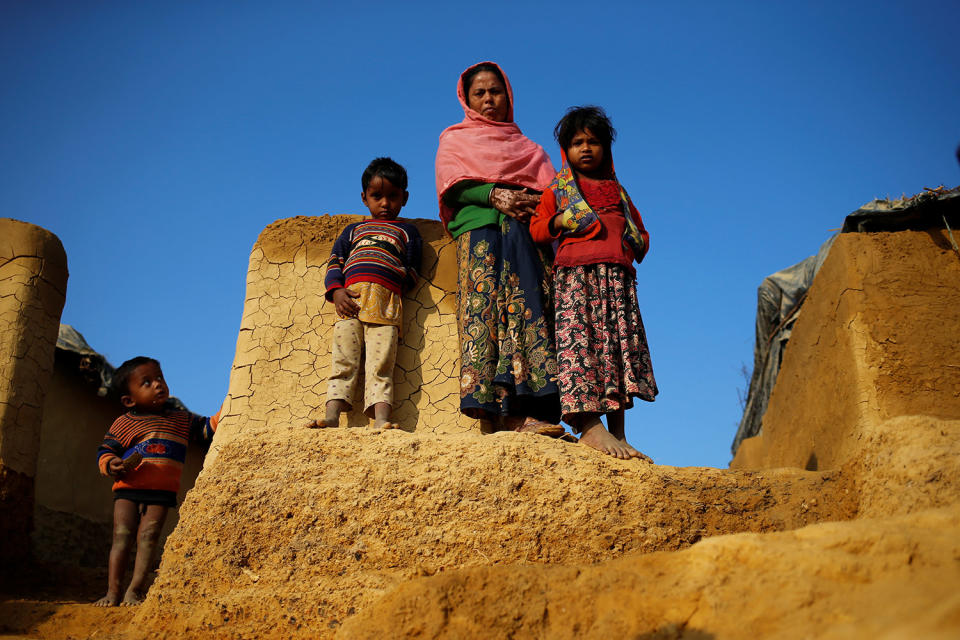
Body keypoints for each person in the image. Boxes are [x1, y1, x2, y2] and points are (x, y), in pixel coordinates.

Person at [435, 61, 564, 435]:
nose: (489, 99)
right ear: (467, 99)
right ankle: (497, 415)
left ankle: (528, 409)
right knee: (486, 317)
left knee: (527, 314)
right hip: (481, 238)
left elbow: (551, 195)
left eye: (496, 91)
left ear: (509, 95)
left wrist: (524, 203)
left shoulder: (529, 148)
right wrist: (494, 195)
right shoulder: (455, 140)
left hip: (525, 242)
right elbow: (454, 186)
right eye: (480, 93)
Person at [530, 106, 658, 460]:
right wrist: (561, 221)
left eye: (593, 142)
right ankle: (589, 426)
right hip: (577, 280)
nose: (585, 148)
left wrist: (630, 244)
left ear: (607, 147)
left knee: (616, 354)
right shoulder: (558, 189)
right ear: (565, 151)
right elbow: (538, 228)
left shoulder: (619, 192)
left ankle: (619, 432)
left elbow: (641, 234)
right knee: (581, 350)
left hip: (616, 284)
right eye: (576, 143)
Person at [306, 157, 422, 430]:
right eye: (377, 196)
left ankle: (381, 419)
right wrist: (336, 292)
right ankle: (333, 416)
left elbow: (414, 268)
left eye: (393, 197)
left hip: (386, 306)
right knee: (344, 359)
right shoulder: (354, 230)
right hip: (351, 304)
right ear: (364, 198)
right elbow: (336, 262)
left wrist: (390, 285)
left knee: (381, 364)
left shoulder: (407, 232)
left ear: (404, 198)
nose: (385, 203)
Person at [94, 357, 218, 606]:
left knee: (149, 537)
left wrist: (233, 403)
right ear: (129, 400)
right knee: (121, 536)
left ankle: (135, 590)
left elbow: (206, 429)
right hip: (128, 488)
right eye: (147, 382)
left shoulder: (181, 420)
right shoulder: (126, 422)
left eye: (159, 378)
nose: (158, 385)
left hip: (161, 492)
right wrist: (111, 463)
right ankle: (113, 592)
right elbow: (106, 450)